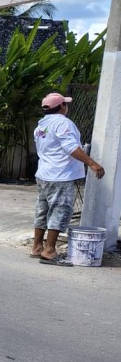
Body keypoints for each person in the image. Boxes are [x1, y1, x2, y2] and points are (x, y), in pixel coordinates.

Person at [31, 92, 105, 265]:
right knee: (60, 210)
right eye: (66, 104)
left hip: (43, 174)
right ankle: (49, 251)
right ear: (62, 106)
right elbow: (70, 147)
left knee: (42, 210)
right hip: (60, 175)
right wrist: (92, 164)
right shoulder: (63, 123)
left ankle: (36, 247)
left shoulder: (41, 125)